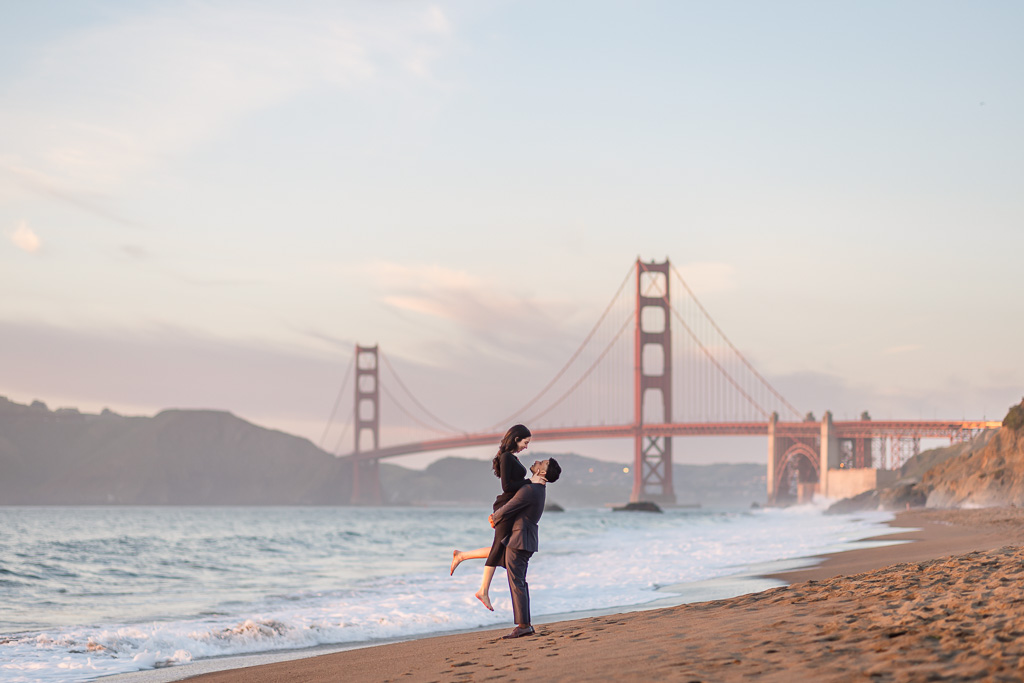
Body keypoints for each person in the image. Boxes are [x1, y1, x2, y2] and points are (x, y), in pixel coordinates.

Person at [450, 424, 532, 610]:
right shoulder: (506, 458)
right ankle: (483, 590)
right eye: (525, 442)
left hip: (510, 507)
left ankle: (462, 556)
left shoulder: (511, 457)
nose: (526, 446)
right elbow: (507, 487)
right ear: (516, 439)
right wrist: (529, 482)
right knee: (499, 548)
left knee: (501, 548)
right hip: (505, 507)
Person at [488, 457, 561, 639]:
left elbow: (508, 508)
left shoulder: (530, 490)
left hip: (519, 539)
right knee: (519, 581)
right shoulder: (539, 489)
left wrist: (494, 518)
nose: (537, 461)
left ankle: (523, 626)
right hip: (526, 539)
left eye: (541, 463)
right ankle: (525, 624)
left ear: (542, 472)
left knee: (517, 582)